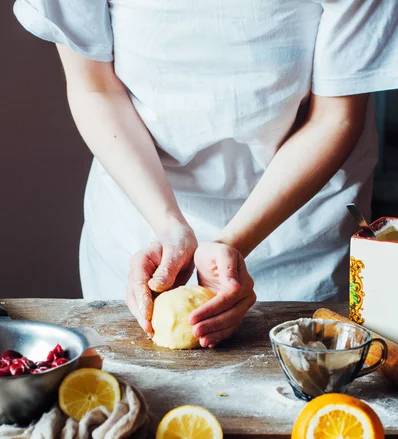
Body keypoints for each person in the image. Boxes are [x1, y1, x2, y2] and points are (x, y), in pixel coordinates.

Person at [14, 0, 398, 348]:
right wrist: (167, 224)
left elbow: (334, 117)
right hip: (138, 214)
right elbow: (95, 88)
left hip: (301, 232)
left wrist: (234, 241)